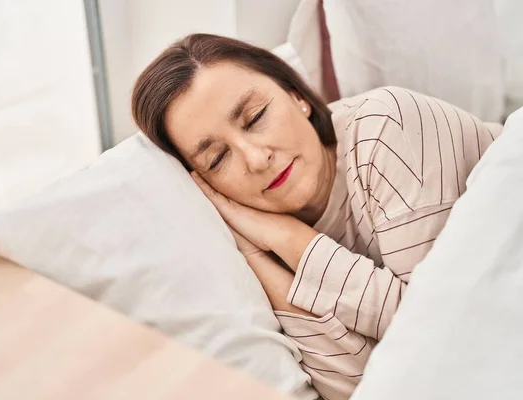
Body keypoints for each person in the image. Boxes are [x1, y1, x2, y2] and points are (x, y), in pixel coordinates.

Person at [131, 34, 502, 400]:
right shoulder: (249, 251)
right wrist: (259, 256)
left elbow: (445, 331)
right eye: (217, 158)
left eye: (255, 117)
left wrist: (294, 243)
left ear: (297, 95)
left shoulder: (386, 127)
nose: (257, 159)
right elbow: (364, 389)